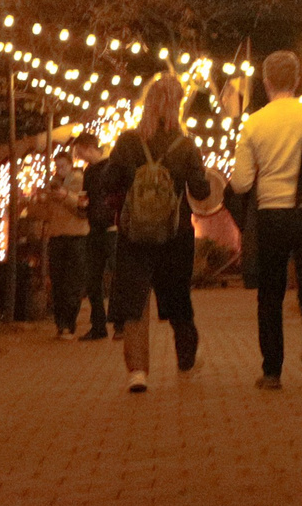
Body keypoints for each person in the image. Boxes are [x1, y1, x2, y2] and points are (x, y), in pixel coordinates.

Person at [96, 75, 213, 392]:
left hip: (135, 233)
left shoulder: (129, 141)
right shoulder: (185, 145)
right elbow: (201, 191)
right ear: (178, 106)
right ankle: (186, 363)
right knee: (177, 297)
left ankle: (137, 371)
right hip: (175, 233)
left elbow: (108, 181)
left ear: (146, 104)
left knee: (135, 299)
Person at [230, 50, 302, 394]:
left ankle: (272, 371)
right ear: (298, 79)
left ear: (266, 82)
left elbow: (242, 183)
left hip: (272, 216)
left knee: (270, 294)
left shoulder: (254, 122)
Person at [37, 141, 92, 338]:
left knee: (72, 283)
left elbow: (83, 207)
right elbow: (45, 213)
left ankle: (70, 323)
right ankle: (60, 323)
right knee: (58, 282)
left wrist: (65, 195)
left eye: (63, 166)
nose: (59, 170)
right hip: (57, 237)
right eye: (57, 166)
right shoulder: (52, 184)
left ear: (70, 165)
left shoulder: (80, 180)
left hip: (76, 237)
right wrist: (42, 200)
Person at [73, 130, 117, 340]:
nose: (79, 156)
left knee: (117, 277)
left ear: (90, 148)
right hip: (95, 229)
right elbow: (86, 198)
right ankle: (99, 325)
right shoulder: (89, 171)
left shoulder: (113, 166)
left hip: (112, 230)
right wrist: (83, 206)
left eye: (81, 152)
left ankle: (120, 324)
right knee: (93, 279)